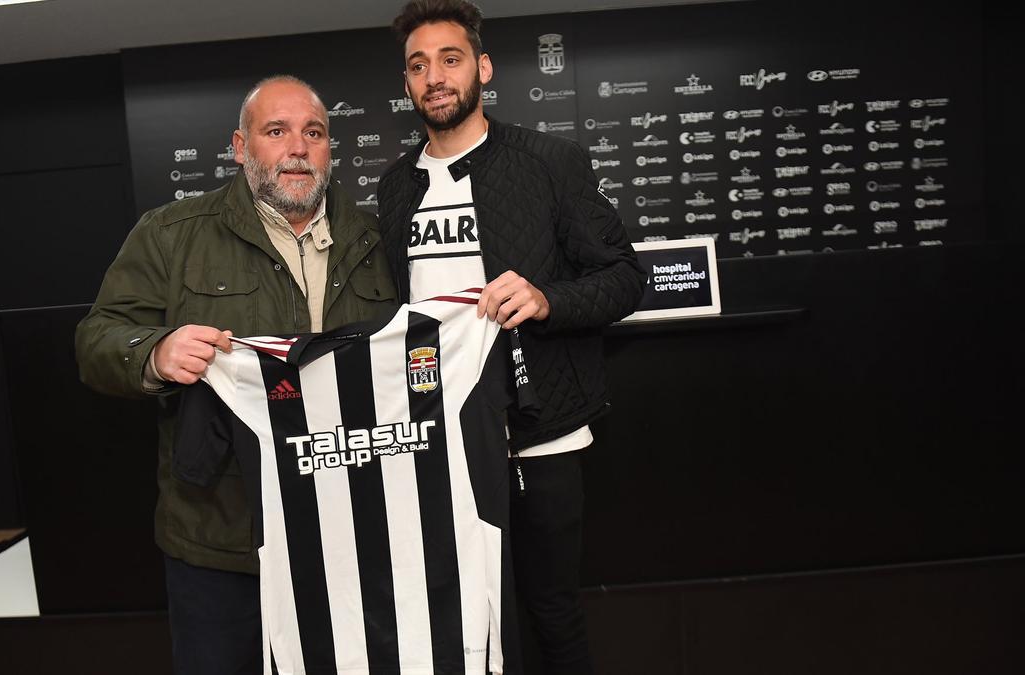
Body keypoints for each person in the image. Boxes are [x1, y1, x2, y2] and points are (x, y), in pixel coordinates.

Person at [75, 75, 396, 675]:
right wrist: (154, 352)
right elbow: (97, 338)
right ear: (241, 147)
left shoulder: (379, 239)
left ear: (330, 149)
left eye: (314, 133)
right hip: (221, 542)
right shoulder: (171, 235)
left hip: (354, 535)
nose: (297, 147)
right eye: (276, 131)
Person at [380, 2, 647, 673]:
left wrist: (545, 297)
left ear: (483, 68)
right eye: (418, 65)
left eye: (449, 58)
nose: (434, 76)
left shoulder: (550, 162)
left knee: (551, 610)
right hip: (438, 442)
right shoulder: (393, 189)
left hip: (543, 434)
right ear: (407, 83)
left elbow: (624, 278)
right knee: (463, 615)